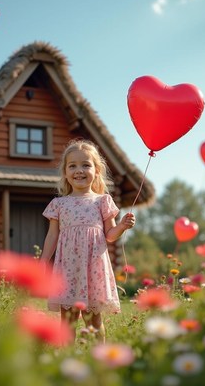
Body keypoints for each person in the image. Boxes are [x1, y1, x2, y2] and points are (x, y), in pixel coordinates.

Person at [40, 139, 136, 342]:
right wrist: (43, 262)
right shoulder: (59, 204)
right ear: (65, 172)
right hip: (68, 268)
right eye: (72, 166)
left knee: (93, 320)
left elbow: (110, 235)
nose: (79, 170)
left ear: (97, 170)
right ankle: (66, 357)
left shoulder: (102, 201)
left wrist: (122, 227)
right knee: (68, 319)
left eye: (86, 165)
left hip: (93, 268)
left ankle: (98, 356)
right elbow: (52, 236)